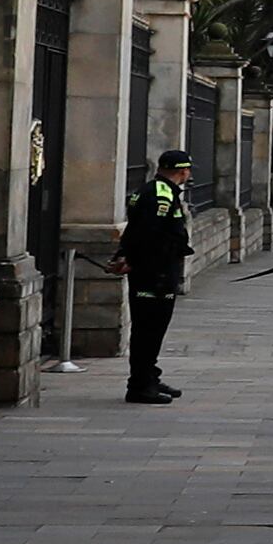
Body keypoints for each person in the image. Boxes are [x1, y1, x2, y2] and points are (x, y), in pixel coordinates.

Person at [117, 148, 195, 403]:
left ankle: (149, 376)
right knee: (149, 329)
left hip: (153, 268)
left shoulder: (150, 189)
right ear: (182, 170)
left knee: (150, 329)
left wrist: (125, 256)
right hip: (155, 271)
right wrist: (136, 261)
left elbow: (134, 229)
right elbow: (149, 233)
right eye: (187, 170)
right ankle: (140, 385)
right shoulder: (161, 195)